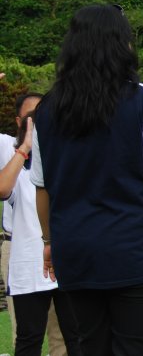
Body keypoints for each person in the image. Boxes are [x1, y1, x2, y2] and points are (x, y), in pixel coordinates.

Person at [30, 4, 143, 355]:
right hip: (134, 252)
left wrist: (49, 241)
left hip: (76, 253)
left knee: (91, 346)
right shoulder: (141, 99)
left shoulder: (49, 108)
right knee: (140, 347)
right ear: (121, 44)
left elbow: (43, 188)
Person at [0, 95, 80, 356]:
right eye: (31, 118)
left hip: (69, 262)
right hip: (29, 266)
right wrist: (25, 146)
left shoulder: (67, 159)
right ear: (20, 122)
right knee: (29, 338)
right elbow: (2, 189)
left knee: (76, 338)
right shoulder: (17, 163)